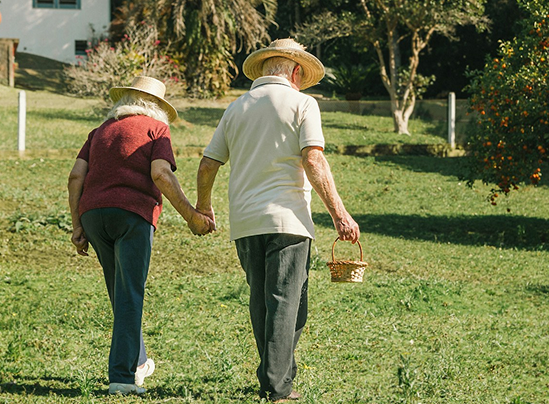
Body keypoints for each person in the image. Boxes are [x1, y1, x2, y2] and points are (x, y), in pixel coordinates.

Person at [195, 39, 360, 402]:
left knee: (263, 301)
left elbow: (208, 164)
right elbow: (314, 161)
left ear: (267, 68)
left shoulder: (235, 107)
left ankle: (275, 374)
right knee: (288, 303)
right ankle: (276, 386)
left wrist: (203, 208)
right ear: (296, 72)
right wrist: (340, 215)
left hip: (244, 221)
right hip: (288, 219)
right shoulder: (303, 103)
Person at [68, 76, 215, 396]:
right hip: (132, 215)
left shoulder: (99, 132)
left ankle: (139, 360)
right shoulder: (156, 129)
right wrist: (191, 215)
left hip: (94, 215)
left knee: (120, 293)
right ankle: (121, 377)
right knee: (130, 294)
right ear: (157, 108)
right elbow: (161, 173)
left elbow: (76, 177)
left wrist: (77, 224)